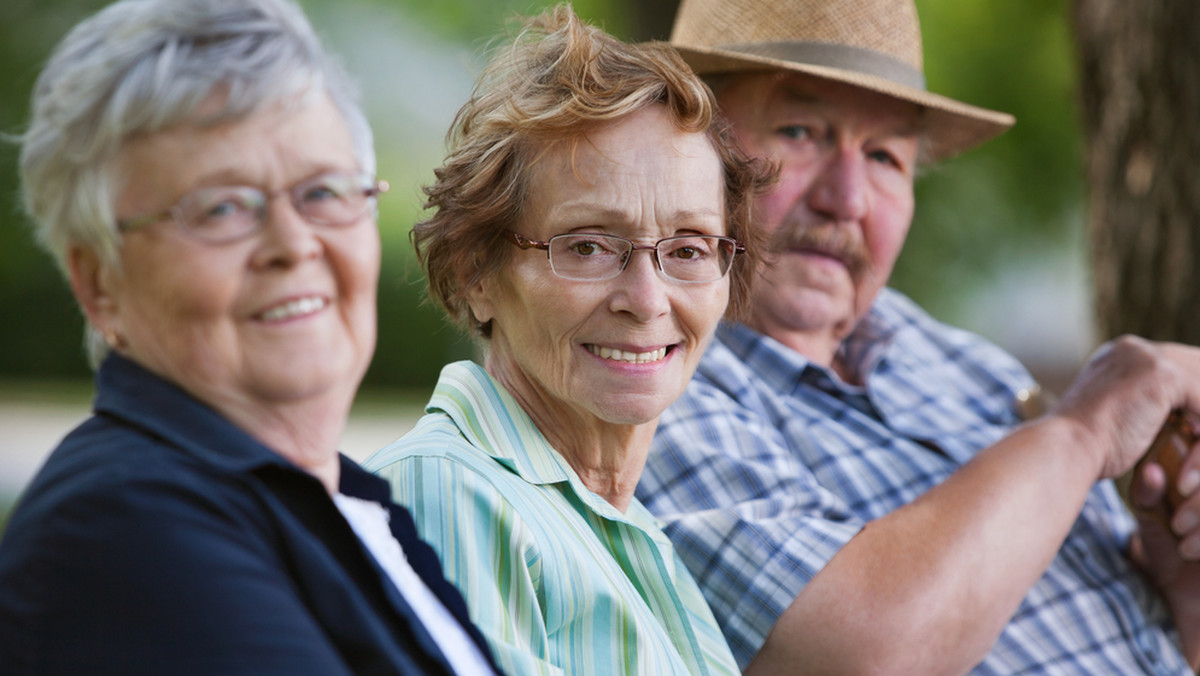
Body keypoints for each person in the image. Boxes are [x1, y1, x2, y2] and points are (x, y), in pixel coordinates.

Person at [636, 0, 1200, 674]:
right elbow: (864, 656)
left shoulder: (955, 359)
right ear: (685, 152)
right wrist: (1085, 431)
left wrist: (1180, 595)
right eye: (800, 130)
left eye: (884, 155)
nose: (849, 199)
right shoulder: (651, 378)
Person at [0, 1, 502, 674]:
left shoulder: (343, 502)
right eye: (223, 207)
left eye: (323, 192)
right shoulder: (123, 526)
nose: (294, 244)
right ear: (98, 283)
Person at [362, 6, 773, 675]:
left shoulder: (623, 528)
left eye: (689, 248)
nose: (645, 300)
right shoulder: (446, 494)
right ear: (476, 275)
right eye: (586, 245)